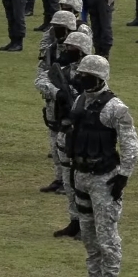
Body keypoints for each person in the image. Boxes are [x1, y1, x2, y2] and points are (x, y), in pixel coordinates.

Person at [65, 55, 138, 277]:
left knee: (106, 232)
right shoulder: (80, 101)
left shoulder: (115, 107)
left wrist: (124, 176)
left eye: (86, 75)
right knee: (87, 231)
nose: (80, 78)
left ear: (98, 78)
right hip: (82, 176)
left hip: (104, 179)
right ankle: (94, 275)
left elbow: (131, 145)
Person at [49, 31, 93, 240]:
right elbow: (43, 78)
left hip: (83, 136)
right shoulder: (63, 70)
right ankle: (74, 221)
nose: (66, 50)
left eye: (71, 47)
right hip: (64, 130)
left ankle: (86, 225)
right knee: (68, 181)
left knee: (81, 182)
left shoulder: (92, 74)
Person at [35, 11, 79, 194]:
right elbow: (40, 78)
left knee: (70, 146)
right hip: (54, 104)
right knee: (55, 145)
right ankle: (59, 178)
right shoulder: (51, 50)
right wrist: (55, 92)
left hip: (74, 106)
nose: (57, 32)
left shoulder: (80, 50)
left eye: (61, 28)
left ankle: (71, 182)